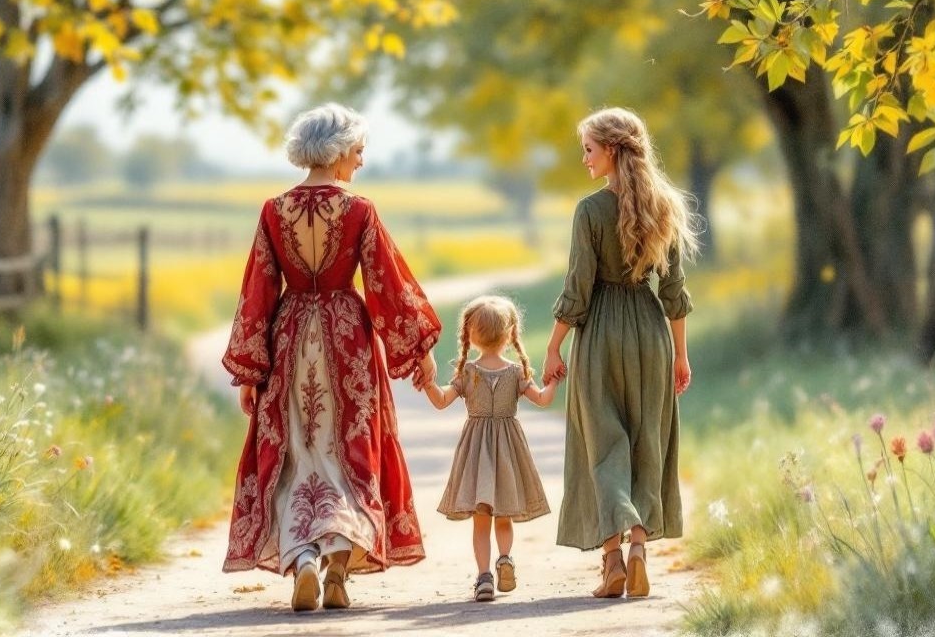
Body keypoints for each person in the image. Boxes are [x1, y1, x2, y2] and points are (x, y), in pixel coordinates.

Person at [221, 103, 441, 612]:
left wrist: (250, 372)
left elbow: (257, 290)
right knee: (349, 451)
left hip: (289, 338)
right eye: (358, 151)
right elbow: (386, 282)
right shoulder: (359, 210)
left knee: (298, 452)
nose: (360, 161)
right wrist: (418, 349)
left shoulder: (274, 211)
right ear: (339, 151)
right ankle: (338, 564)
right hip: (347, 341)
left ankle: (302, 558)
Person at [543, 106, 699, 599]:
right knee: (646, 442)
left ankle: (611, 560)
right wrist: (681, 355)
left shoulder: (590, 211)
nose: (584, 158)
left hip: (600, 336)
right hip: (651, 335)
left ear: (611, 149)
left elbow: (578, 289)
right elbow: (673, 291)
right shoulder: (665, 205)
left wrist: (553, 346)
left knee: (602, 446)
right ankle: (638, 551)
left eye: (589, 149)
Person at [422, 295, 559, 602]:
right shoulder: (516, 373)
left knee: (481, 518)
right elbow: (543, 399)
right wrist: (553, 382)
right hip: (509, 452)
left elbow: (441, 401)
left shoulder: (468, 372)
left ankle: (484, 577)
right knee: (504, 514)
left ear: (470, 334)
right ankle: (505, 558)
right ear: (510, 334)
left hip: (477, 454)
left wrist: (428, 383)